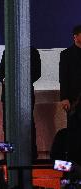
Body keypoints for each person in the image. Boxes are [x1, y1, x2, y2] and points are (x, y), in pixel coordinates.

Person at [0, 46, 41, 160]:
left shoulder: (33, 51)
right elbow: (1, 72)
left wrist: (22, 80)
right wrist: (4, 79)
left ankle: (30, 156)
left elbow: (37, 73)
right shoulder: (7, 51)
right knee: (7, 125)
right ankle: (9, 156)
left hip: (25, 94)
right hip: (8, 95)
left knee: (27, 124)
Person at [59, 25, 81, 165]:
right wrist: (64, 98)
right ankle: (74, 162)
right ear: (75, 37)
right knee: (74, 131)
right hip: (74, 100)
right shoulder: (66, 54)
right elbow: (63, 77)